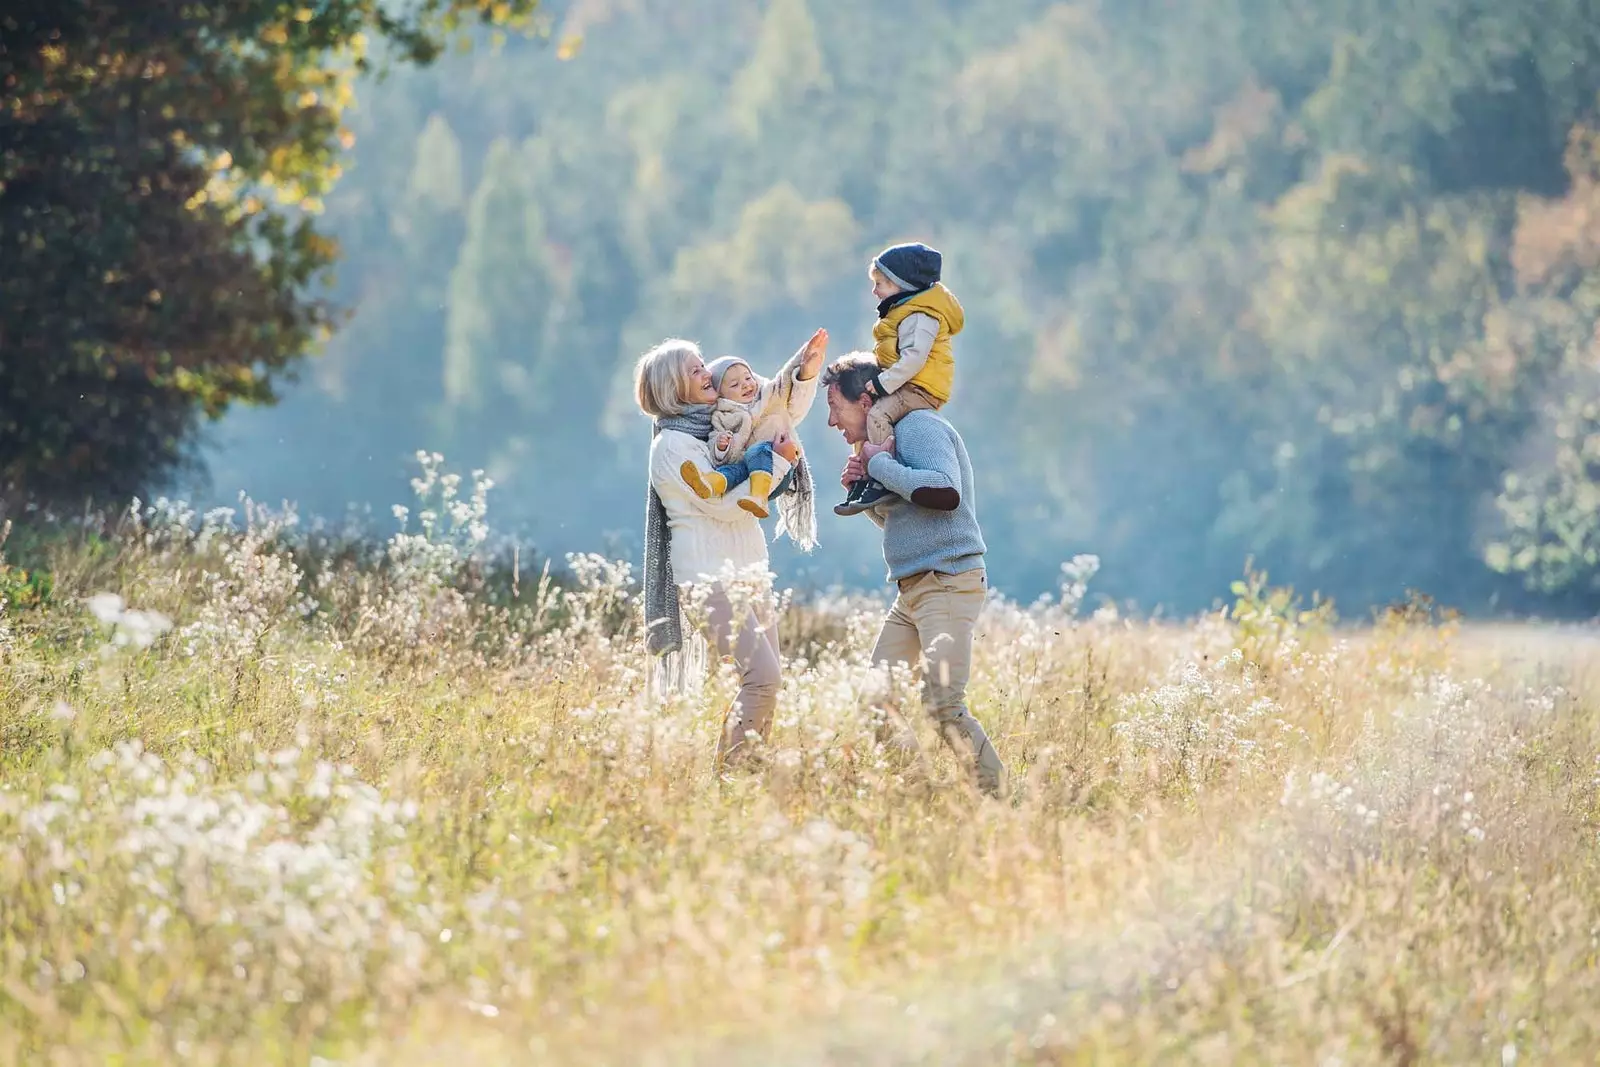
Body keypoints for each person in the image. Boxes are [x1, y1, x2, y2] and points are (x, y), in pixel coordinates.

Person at [638, 329, 828, 767]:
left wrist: (803, 373)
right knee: (761, 678)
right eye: (695, 369)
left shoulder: (721, 426)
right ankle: (729, 778)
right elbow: (723, 507)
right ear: (673, 387)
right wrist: (777, 461)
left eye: (702, 364)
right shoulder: (673, 446)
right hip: (709, 579)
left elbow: (777, 407)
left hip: (750, 572)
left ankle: (750, 775)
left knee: (769, 682)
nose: (707, 372)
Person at [823, 352, 1005, 797]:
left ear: (866, 401)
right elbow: (906, 521)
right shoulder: (890, 444)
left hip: (946, 581)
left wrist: (880, 466)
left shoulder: (917, 427)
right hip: (913, 592)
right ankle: (921, 796)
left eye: (834, 406)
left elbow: (946, 495)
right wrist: (868, 491)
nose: (831, 422)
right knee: (876, 702)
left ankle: (999, 804)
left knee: (943, 705)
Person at [837, 241, 965, 517]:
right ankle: (868, 479)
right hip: (907, 384)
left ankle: (878, 475)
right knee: (875, 416)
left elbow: (914, 359)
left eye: (881, 283)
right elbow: (896, 523)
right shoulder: (901, 313)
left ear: (903, 285)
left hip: (921, 387)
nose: (874, 290)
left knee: (877, 415)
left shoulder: (920, 316)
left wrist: (883, 383)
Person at [676, 349, 819, 549]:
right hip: (746, 468)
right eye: (734, 385)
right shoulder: (723, 415)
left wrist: (805, 355)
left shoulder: (769, 396)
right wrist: (721, 446)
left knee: (756, 452)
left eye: (748, 378)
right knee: (732, 470)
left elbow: (785, 377)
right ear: (722, 395)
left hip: (778, 467)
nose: (745, 385)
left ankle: (759, 497)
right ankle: (709, 484)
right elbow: (715, 441)